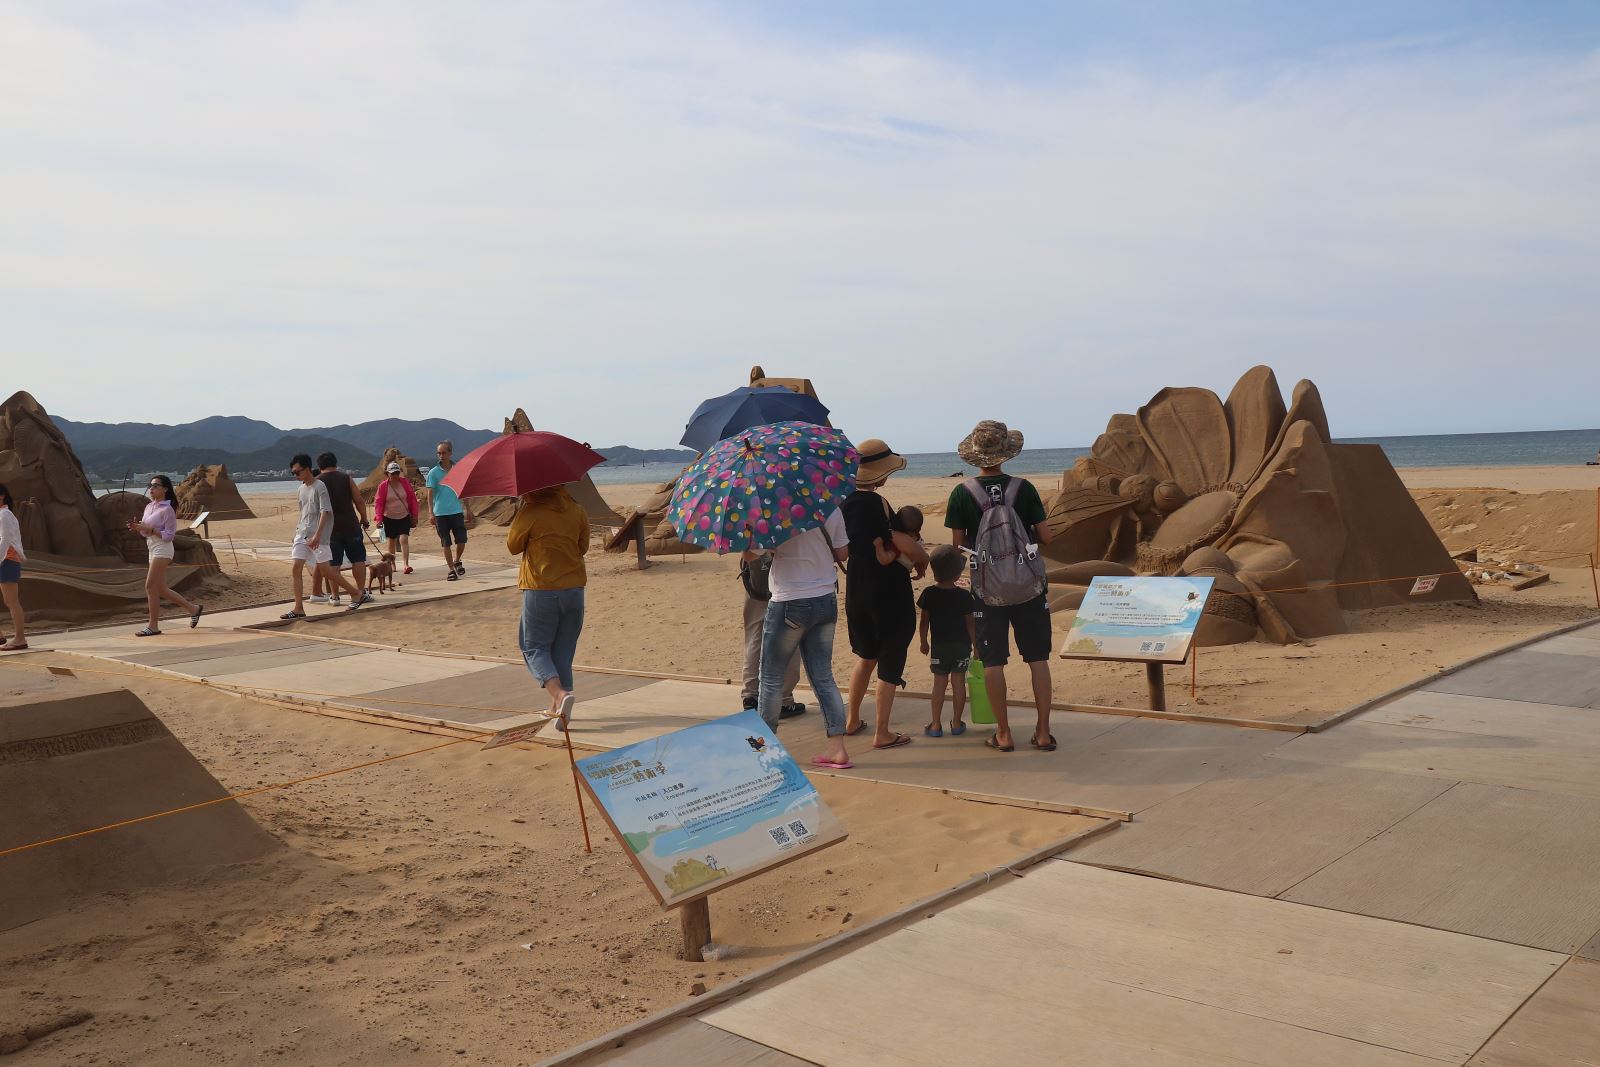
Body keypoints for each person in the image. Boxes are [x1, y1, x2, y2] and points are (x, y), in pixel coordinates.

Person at [944, 420, 1055, 752]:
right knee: (1037, 658)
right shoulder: (1025, 488)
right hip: (1029, 586)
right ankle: (1043, 732)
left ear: (974, 455)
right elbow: (1046, 536)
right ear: (1006, 453)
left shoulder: (962, 493)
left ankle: (1004, 734)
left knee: (994, 661)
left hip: (986, 589)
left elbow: (958, 546)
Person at [748, 507, 854, 768]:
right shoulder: (831, 506)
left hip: (789, 601)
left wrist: (752, 534)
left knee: (771, 677)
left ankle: (765, 751)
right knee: (823, 676)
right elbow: (842, 553)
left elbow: (751, 554)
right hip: (825, 597)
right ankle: (837, 748)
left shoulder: (772, 509)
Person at [842, 439, 928, 750]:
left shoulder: (842, 504)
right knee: (891, 658)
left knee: (866, 657)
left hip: (857, 586)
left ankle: (851, 720)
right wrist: (923, 559)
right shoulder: (878, 505)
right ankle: (882, 732)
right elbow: (900, 541)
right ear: (880, 474)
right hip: (888, 590)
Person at [507, 485, 590, 729]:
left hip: (541, 589)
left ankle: (559, 695)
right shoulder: (577, 510)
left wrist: (522, 510)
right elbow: (582, 547)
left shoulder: (531, 511)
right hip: (574, 588)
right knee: (563, 650)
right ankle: (560, 711)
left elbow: (513, 546)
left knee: (533, 647)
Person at [283, 453, 365, 620]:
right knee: (295, 568)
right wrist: (297, 531)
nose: (296, 476)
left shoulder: (320, 486)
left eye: (297, 472)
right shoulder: (300, 489)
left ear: (307, 469)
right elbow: (303, 513)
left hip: (319, 536)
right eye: (293, 473)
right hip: (302, 533)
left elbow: (325, 511)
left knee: (327, 571)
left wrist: (318, 535)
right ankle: (298, 607)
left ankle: (355, 593)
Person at [127, 474, 204, 636]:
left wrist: (151, 530)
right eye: (151, 485)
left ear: (165, 489)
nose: (152, 488)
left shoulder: (167, 509)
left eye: (156, 485)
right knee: (160, 588)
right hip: (152, 547)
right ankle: (193, 609)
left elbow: (169, 536)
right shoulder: (149, 507)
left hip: (163, 548)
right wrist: (137, 527)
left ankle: (153, 626)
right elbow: (144, 533)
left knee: (150, 586)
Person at [918, 545, 977, 737]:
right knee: (959, 684)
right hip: (961, 646)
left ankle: (935, 725)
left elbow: (924, 621)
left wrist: (923, 642)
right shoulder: (964, 596)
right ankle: (957, 723)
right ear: (958, 573)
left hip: (939, 647)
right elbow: (971, 624)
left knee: (939, 684)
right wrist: (976, 646)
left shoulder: (929, 593)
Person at [739, 551, 804, 719]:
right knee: (789, 637)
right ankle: (783, 699)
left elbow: (747, 553)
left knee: (754, 636)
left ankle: (750, 695)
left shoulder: (748, 523)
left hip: (755, 577)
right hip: (786, 579)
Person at [308, 452, 371, 605]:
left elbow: (312, 510)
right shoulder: (346, 478)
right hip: (351, 525)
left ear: (319, 466)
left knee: (333, 563)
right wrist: (364, 518)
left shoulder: (316, 483)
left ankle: (335, 596)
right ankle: (361, 591)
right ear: (335, 463)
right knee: (358, 559)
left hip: (329, 530)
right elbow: (359, 501)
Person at [426, 440, 468, 579]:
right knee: (446, 543)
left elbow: (463, 489)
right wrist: (430, 512)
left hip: (456, 511)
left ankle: (457, 561)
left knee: (461, 540)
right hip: (441, 513)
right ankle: (451, 570)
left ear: (450, 453)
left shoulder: (458, 469)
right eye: (439, 453)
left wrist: (467, 508)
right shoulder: (433, 473)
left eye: (444, 453)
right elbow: (430, 493)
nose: (441, 456)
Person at [374, 461, 418, 575]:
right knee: (391, 541)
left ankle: (406, 564)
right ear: (387, 474)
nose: (395, 475)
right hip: (389, 517)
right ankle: (392, 564)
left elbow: (412, 498)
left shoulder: (405, 483)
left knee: (404, 539)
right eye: (392, 473)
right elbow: (378, 503)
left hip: (404, 515)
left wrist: (415, 514)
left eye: (397, 473)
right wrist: (379, 519)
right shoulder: (383, 486)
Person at [0, 484, 27, 651]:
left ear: (1, 496)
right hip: (5, 560)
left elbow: (5, 539)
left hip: (7, 560)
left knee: (11, 601)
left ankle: (20, 639)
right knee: (7, 600)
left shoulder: (4, 514)